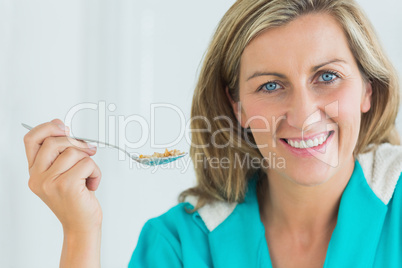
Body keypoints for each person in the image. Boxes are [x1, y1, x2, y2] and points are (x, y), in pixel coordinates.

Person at [23, 0, 402, 267]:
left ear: (368, 88)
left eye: (327, 77)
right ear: (236, 107)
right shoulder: (180, 244)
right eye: (271, 86)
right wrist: (80, 231)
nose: (303, 116)